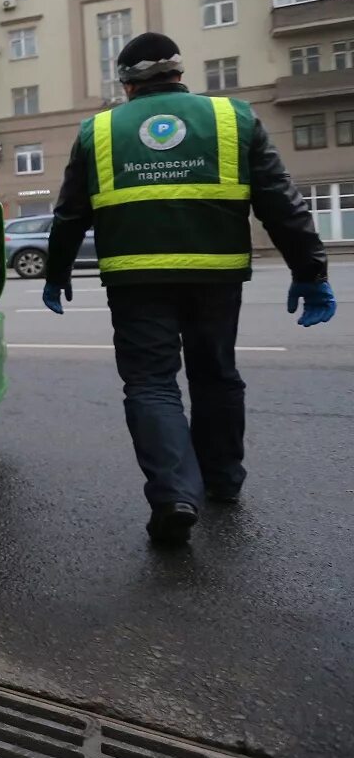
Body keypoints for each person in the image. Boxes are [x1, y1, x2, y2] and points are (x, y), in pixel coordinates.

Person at [43, 31, 335, 545]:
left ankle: (175, 495)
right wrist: (309, 270)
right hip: (216, 277)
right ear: (180, 73)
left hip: (136, 281)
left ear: (127, 83)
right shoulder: (234, 118)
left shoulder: (100, 130)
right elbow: (280, 202)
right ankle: (222, 481)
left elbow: (70, 213)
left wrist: (57, 272)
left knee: (152, 384)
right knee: (216, 375)